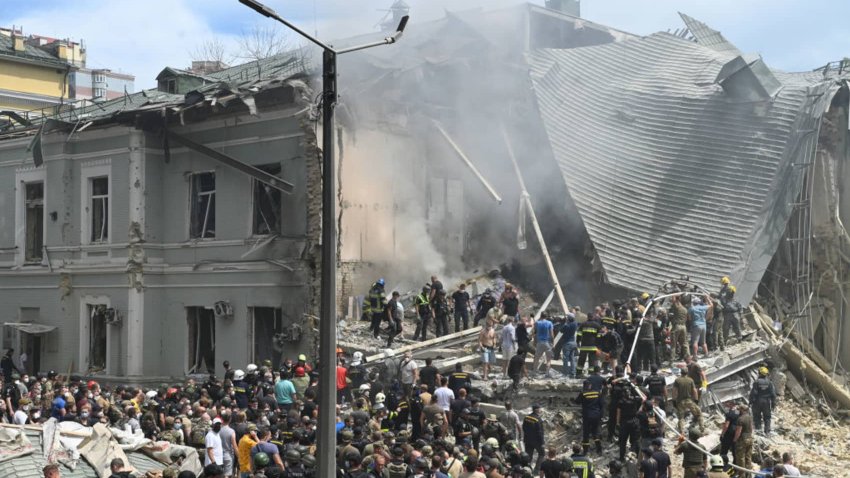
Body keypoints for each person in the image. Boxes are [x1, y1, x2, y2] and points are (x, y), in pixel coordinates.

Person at [574, 380, 603, 454]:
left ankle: (585, 451)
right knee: (595, 432)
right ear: (590, 385)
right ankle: (599, 450)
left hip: (587, 416)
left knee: (586, 434)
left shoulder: (583, 393)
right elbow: (601, 404)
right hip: (596, 415)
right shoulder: (597, 393)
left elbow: (577, 402)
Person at [672, 367, 703, 434]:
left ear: (681, 372)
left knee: (681, 418)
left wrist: (674, 401)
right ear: (687, 372)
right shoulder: (690, 380)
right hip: (689, 401)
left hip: (680, 402)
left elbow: (674, 391)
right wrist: (696, 400)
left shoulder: (677, 380)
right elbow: (695, 391)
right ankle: (702, 429)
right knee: (699, 414)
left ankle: (682, 432)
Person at [750, 367, 777, 435]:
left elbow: (754, 393)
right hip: (767, 402)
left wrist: (751, 401)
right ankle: (767, 431)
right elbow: (773, 394)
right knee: (767, 417)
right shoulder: (769, 383)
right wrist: (773, 404)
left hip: (757, 402)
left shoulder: (756, 382)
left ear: (759, 373)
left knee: (757, 416)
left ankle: (758, 430)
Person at [522, 405, 545, 472]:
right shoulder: (538, 419)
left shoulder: (526, 417)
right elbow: (540, 433)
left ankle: (527, 469)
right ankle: (536, 470)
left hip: (528, 440)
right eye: (540, 409)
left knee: (529, 455)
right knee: (542, 454)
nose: (541, 410)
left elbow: (524, 428)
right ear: (536, 410)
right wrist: (542, 442)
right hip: (537, 441)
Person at [668, 296, 690, 361]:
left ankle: (672, 360)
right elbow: (687, 318)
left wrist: (674, 295)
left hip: (677, 326)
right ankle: (688, 358)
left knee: (673, 344)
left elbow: (674, 301)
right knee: (685, 343)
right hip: (684, 326)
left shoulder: (677, 308)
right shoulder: (685, 309)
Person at [733, 404, 754, 472]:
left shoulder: (740, 419)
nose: (738, 411)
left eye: (739, 410)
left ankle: (742, 474)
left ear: (742, 410)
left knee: (741, 458)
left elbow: (738, 431)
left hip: (742, 439)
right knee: (748, 457)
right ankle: (749, 473)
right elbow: (751, 428)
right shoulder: (749, 417)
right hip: (750, 438)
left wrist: (735, 439)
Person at [218, 412, 237, 478]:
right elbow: (234, 445)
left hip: (218, 455)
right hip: (228, 455)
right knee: (226, 475)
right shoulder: (231, 431)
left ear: (222, 419)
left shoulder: (217, 430)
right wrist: (238, 456)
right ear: (230, 419)